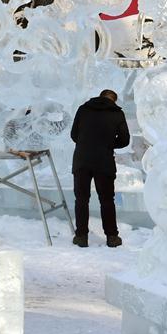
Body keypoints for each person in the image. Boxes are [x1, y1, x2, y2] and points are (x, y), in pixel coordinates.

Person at [70, 89, 131, 248]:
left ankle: (81, 236)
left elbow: (74, 135)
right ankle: (112, 237)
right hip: (104, 161)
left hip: (82, 160)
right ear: (114, 100)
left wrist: (87, 143)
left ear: (100, 96)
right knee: (106, 200)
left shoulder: (83, 109)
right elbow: (125, 140)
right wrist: (108, 144)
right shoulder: (116, 113)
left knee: (81, 199)